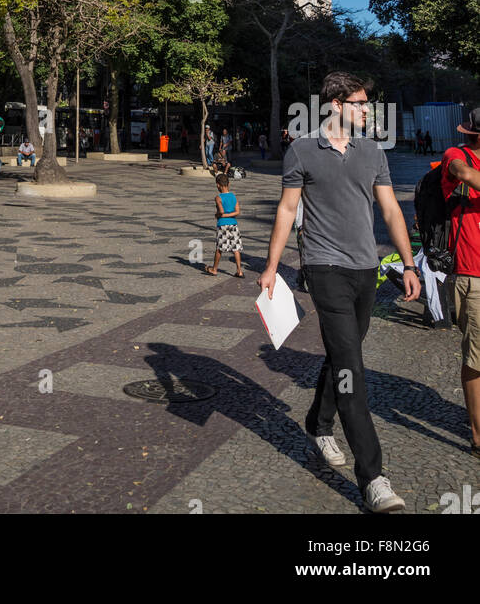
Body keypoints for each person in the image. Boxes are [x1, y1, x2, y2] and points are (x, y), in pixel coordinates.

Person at [258, 71, 420, 513]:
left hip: (366, 269)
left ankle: (318, 422)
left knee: (340, 355)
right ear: (335, 106)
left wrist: (408, 264)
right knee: (353, 367)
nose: (368, 110)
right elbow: (288, 209)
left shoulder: (372, 152)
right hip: (324, 267)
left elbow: (388, 208)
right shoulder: (304, 149)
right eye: (360, 103)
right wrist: (272, 268)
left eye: (368, 103)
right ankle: (374, 479)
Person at [441, 107, 480, 458]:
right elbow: (463, 173)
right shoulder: (457, 156)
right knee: (477, 357)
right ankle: (479, 435)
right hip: (473, 274)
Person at [206, 174, 243, 277]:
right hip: (233, 225)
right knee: (236, 248)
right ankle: (239, 271)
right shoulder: (233, 196)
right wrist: (229, 215)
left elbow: (221, 211)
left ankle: (214, 269)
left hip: (222, 225)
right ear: (229, 183)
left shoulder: (218, 197)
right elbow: (237, 212)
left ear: (218, 185)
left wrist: (218, 215)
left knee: (219, 248)